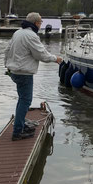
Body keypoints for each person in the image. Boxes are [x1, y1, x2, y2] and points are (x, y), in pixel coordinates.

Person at [4, 12, 63, 141]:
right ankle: (18, 132)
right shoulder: (31, 36)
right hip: (24, 73)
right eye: (40, 22)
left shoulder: (17, 33)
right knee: (25, 101)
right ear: (36, 23)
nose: (41, 24)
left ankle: (21, 124)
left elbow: (7, 50)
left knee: (22, 99)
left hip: (14, 71)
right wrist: (56, 58)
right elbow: (41, 55)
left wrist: (7, 66)